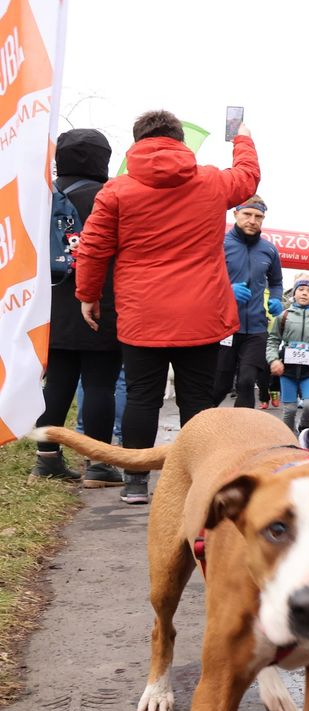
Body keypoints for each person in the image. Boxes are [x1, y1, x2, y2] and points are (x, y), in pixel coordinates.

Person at [76, 109, 260, 504]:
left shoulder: (116, 191)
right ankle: (198, 482)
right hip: (202, 312)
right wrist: (242, 138)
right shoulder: (212, 181)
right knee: (198, 399)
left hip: (142, 313)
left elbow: (92, 248)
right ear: (180, 140)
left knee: (143, 396)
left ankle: (136, 482)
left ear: (137, 141)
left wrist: (87, 295)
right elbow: (248, 177)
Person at [32, 129, 123, 488]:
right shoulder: (110, 196)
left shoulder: (42, 194)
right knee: (100, 384)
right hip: (100, 300)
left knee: (56, 382)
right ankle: (99, 465)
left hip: (50, 302)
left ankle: (46, 459)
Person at [213, 195, 283, 409]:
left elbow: (276, 282)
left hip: (256, 328)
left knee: (246, 382)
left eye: (258, 216)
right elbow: (201, 279)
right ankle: (198, 424)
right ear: (235, 214)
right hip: (224, 327)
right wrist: (227, 291)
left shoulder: (269, 250)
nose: (252, 220)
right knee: (220, 386)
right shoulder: (219, 244)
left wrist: (276, 298)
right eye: (247, 214)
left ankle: (242, 430)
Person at [267, 275, 309, 434]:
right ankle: (290, 436)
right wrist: (273, 360)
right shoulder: (283, 316)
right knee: (289, 410)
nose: (304, 293)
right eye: (301, 289)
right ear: (294, 294)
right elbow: (273, 340)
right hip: (287, 370)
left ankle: (303, 428)